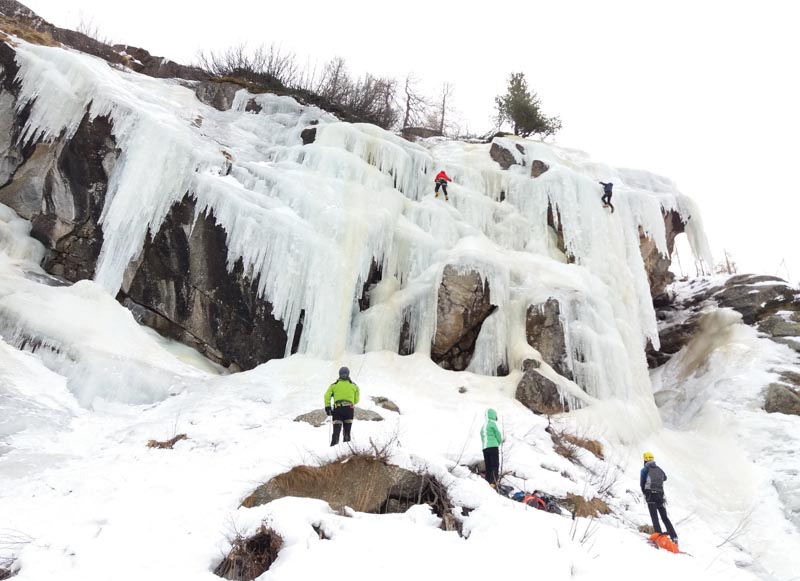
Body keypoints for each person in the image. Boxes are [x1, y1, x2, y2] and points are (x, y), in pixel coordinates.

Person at [640, 451, 678, 544]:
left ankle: (658, 537)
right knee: (665, 517)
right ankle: (674, 537)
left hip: (651, 495)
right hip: (660, 496)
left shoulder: (644, 470)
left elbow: (642, 484)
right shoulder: (659, 469)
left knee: (655, 517)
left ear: (645, 460)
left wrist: (645, 494)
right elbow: (665, 478)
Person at [324, 367, 360, 446]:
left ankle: (333, 449)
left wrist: (328, 407)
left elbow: (327, 396)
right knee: (347, 432)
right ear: (348, 374)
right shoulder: (354, 386)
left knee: (336, 431)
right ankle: (346, 451)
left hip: (338, 409)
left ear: (339, 374)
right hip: (349, 410)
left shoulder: (334, 385)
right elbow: (356, 400)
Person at [480, 408, 503, 486]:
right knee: (494, 465)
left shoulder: (483, 426)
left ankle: (487, 482)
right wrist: (499, 442)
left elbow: (482, 437)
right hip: (493, 446)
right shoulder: (492, 424)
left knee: (488, 465)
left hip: (485, 448)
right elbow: (498, 434)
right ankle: (493, 482)